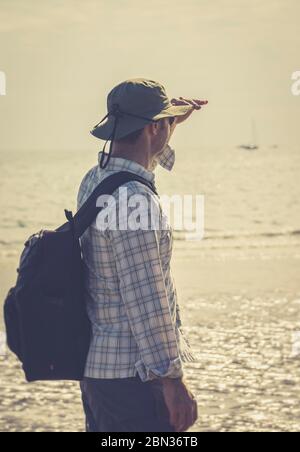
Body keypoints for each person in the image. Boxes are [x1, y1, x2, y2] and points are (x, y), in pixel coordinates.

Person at [77, 77, 208, 432]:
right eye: (163, 122)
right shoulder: (135, 201)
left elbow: (141, 161)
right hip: (133, 380)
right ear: (152, 128)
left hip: (99, 373)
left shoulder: (97, 180)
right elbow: (146, 299)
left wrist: (166, 124)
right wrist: (172, 380)